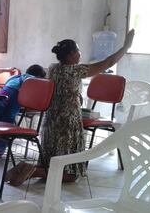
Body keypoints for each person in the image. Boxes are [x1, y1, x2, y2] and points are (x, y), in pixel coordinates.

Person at [34, 29, 135, 182]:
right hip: (68, 123)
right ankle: (33, 172)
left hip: (51, 121)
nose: (80, 54)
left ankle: (38, 170)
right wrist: (125, 47)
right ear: (71, 55)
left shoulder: (53, 68)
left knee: (53, 162)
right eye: (78, 51)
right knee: (70, 175)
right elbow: (108, 62)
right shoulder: (76, 71)